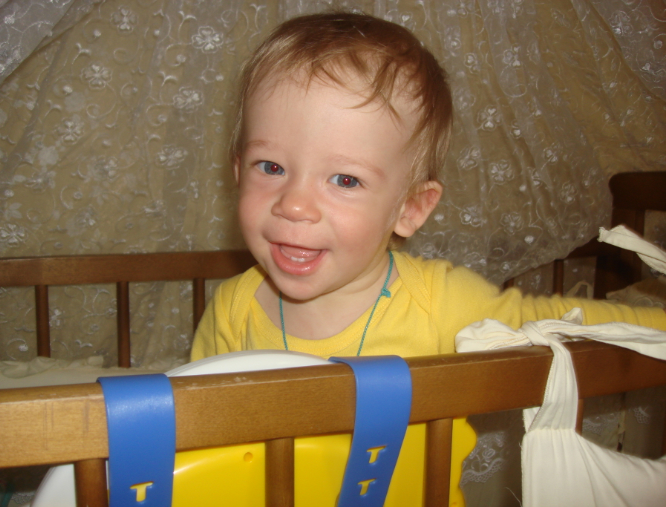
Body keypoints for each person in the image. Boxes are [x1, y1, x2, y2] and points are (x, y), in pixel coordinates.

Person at [190, 11, 666, 363]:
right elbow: (194, 432)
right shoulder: (233, 311)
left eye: (345, 179)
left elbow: (563, 323)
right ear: (238, 172)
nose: (294, 205)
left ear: (411, 208)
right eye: (271, 167)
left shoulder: (442, 305)